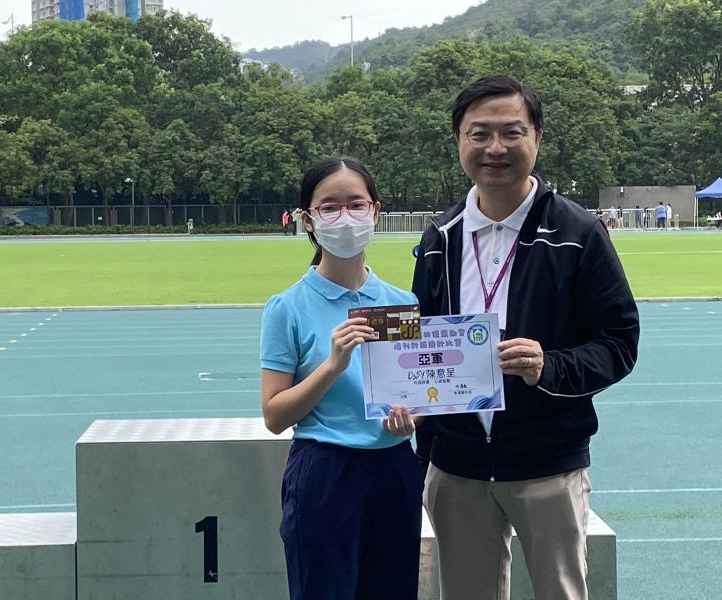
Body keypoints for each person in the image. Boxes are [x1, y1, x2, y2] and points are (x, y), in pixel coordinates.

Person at [411, 75, 640, 600]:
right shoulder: (439, 237)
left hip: (547, 462)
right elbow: (421, 341)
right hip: (458, 466)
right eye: (479, 134)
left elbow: (619, 340)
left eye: (511, 132)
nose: (495, 148)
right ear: (458, 141)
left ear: (536, 136)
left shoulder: (578, 233)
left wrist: (549, 366)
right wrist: (410, 400)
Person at [260, 156, 423, 600]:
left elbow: (414, 394)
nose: (345, 217)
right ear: (308, 219)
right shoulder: (287, 307)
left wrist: (412, 419)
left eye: (356, 204)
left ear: (375, 211)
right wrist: (331, 365)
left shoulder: (400, 302)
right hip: (325, 471)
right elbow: (274, 415)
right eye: (329, 207)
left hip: (396, 469)